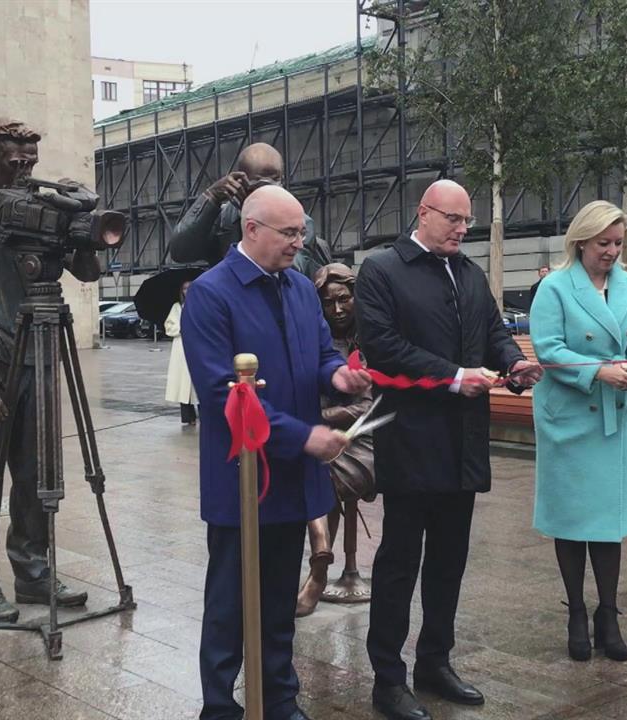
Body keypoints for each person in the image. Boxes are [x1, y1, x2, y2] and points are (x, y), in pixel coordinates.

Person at [182, 185, 372, 720]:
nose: (299, 242)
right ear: (251, 229)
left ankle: (281, 697)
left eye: (301, 231)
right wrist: (303, 436)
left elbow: (316, 358)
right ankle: (220, 706)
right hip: (242, 475)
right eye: (289, 233)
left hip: (290, 473)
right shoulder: (210, 293)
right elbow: (223, 393)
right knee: (229, 599)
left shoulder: (298, 288)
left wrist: (341, 376)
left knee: (279, 597)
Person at [356, 179, 543, 720]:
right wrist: (452, 374)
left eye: (468, 222)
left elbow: (492, 331)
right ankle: (387, 679)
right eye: (453, 219)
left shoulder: (468, 272)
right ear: (424, 213)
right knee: (399, 563)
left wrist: (513, 363)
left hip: (462, 441)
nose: (463, 229)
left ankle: (435, 661)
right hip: (410, 440)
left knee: (449, 560)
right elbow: (382, 346)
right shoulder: (383, 270)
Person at [0, 117, 101, 621]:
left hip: (39, 354)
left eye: (32, 159)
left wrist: (81, 217)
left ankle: (33, 570)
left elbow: (89, 272)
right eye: (17, 159)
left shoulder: (42, 208)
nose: (27, 167)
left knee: (37, 474)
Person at [530, 201, 627, 664]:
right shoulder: (554, 288)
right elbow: (548, 348)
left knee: (609, 524)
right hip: (571, 417)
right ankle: (576, 612)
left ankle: (608, 612)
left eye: (617, 244)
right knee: (572, 520)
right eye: (603, 243)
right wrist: (600, 370)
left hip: (615, 417)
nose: (611, 251)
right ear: (581, 242)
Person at [295, 263, 376, 617]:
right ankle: (317, 555)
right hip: (324, 437)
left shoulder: (371, 339)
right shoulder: (312, 338)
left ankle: (318, 566)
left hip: (365, 439)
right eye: (329, 303)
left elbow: (367, 405)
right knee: (304, 459)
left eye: (344, 299)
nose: (338, 309)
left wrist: (320, 419)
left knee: (321, 470)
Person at [170, 142, 331, 277]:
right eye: (258, 184)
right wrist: (210, 197)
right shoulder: (222, 220)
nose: (267, 191)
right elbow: (180, 252)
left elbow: (289, 271)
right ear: (240, 181)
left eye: (275, 181)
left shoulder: (300, 223)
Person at [163, 280, 198, 425]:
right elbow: (169, 326)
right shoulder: (177, 308)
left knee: (197, 382)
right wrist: (182, 328)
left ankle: (204, 414)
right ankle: (188, 416)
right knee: (183, 384)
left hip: (197, 346)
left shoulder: (201, 305)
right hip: (181, 347)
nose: (187, 291)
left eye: (190, 288)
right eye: (184, 288)